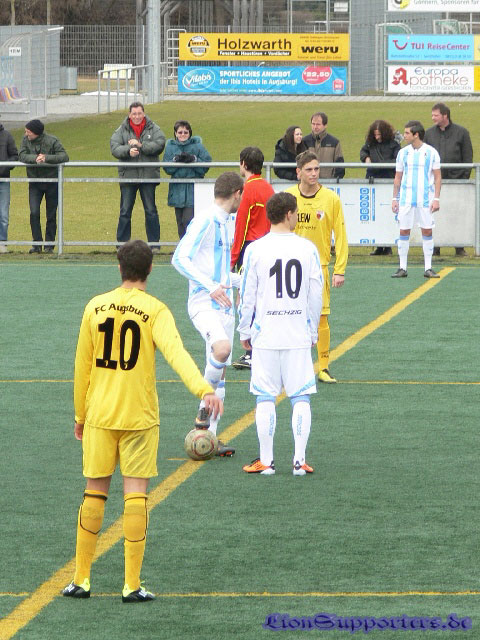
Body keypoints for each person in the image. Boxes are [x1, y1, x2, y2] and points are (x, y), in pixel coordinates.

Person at [63, 239, 222, 603]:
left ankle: (80, 580)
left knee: (94, 492)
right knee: (135, 495)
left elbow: (81, 368)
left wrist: (80, 416)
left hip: (100, 415)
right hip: (139, 417)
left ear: (119, 268)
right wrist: (204, 389)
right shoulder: (155, 310)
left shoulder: (95, 307)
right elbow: (177, 355)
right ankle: (131, 585)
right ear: (150, 269)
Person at [239, 192, 323, 476]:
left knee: (265, 396)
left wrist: (244, 329)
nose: (297, 217)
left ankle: (267, 461)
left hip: (266, 334)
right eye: (296, 213)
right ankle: (299, 461)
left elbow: (247, 295)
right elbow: (315, 294)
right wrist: (312, 329)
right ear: (288, 214)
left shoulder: (255, 249)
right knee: (301, 396)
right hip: (297, 332)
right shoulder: (307, 248)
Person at [172, 172, 245, 457]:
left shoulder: (227, 222)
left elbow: (219, 273)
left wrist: (245, 280)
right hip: (204, 303)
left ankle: (209, 437)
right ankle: (202, 414)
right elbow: (179, 259)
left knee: (221, 371)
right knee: (222, 349)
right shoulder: (205, 220)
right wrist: (211, 286)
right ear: (237, 193)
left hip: (224, 305)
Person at [286, 151, 348, 384]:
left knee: (321, 317)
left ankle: (323, 367)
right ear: (298, 172)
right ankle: (293, 366)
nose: (314, 173)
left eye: (316, 169)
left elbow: (340, 235)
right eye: (309, 169)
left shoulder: (331, 199)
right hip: (291, 269)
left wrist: (339, 269)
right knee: (290, 316)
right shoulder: (288, 197)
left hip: (318, 268)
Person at [230, 146, 274, 370]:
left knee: (246, 300)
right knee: (263, 298)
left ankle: (251, 351)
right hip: (269, 248)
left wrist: (233, 258)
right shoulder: (268, 188)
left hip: (250, 250)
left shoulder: (248, 190)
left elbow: (242, 225)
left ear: (244, 164)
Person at [110, 102, 165, 251]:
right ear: (129, 115)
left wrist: (141, 145)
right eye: (134, 114)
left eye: (139, 113)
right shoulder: (122, 129)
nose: (137, 116)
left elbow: (160, 144)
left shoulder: (154, 128)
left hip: (148, 176)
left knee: (151, 210)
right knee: (125, 211)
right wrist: (128, 150)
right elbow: (114, 147)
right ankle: (122, 245)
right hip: (129, 176)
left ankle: (154, 245)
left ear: (144, 113)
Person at [391, 120, 441, 280]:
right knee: (403, 231)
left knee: (427, 230)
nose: (404, 135)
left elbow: (437, 177)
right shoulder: (402, 153)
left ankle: (428, 267)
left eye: (407, 133)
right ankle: (402, 267)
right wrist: (394, 198)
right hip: (406, 200)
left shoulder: (431, 152)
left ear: (416, 134)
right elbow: (398, 177)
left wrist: (436, 198)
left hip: (425, 200)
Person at [424, 102, 473, 257]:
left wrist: (463, 178)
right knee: (435, 214)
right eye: (432, 115)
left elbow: (467, 157)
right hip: (435, 183)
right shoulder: (429, 134)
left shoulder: (462, 132)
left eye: (436, 115)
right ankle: (435, 247)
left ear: (445, 115)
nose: (433, 118)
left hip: (457, 181)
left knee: (456, 214)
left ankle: (459, 246)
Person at [18, 119, 69, 254]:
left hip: (52, 182)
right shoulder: (25, 140)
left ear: (36, 132)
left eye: (28, 132)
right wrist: (35, 159)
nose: (26, 134)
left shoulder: (52, 140)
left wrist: (46, 158)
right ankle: (37, 244)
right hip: (34, 182)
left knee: (51, 215)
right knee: (34, 212)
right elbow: (21, 155)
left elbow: (64, 156)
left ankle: (49, 245)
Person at [163, 120, 212, 239]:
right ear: (175, 133)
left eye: (186, 132)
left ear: (190, 133)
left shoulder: (198, 146)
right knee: (180, 222)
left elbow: (207, 163)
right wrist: (176, 161)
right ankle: (183, 245)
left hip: (193, 188)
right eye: (180, 132)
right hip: (177, 188)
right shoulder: (170, 147)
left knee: (188, 220)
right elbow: (167, 168)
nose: (183, 135)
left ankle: (191, 244)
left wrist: (194, 159)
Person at [360, 119, 401, 256]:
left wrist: (379, 164)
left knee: (387, 214)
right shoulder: (370, 143)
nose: (377, 137)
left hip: (388, 182)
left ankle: (388, 246)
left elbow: (397, 160)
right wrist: (366, 158)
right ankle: (379, 245)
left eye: (379, 134)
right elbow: (363, 151)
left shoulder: (393, 145)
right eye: (375, 134)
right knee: (375, 214)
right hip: (373, 182)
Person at [302, 112, 345, 180]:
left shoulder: (334, 142)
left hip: (328, 183)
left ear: (325, 125)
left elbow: (340, 166)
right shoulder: (304, 141)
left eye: (318, 124)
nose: (315, 127)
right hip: (309, 182)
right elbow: (300, 164)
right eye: (313, 124)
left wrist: (333, 181)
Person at [0, 120, 18, 253]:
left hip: (3, 180)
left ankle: (2, 243)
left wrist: (4, 167)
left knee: (3, 214)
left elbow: (14, 156)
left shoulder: (7, 136)